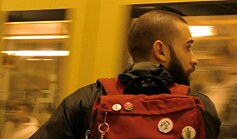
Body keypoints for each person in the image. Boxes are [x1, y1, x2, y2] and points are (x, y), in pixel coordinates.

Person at [30, 10, 221, 139]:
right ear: (161, 51)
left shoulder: (84, 101)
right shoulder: (201, 107)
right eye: (188, 48)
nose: (194, 59)